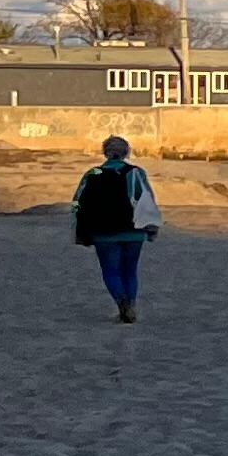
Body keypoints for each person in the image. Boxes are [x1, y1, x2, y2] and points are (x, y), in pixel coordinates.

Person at [70, 133, 161, 322]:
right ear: (127, 152)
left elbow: (78, 203)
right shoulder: (136, 173)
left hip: (103, 232)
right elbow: (147, 201)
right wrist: (151, 227)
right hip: (134, 231)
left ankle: (121, 303)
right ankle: (132, 304)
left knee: (111, 271)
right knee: (130, 270)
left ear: (105, 152)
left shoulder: (92, 174)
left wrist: (79, 231)